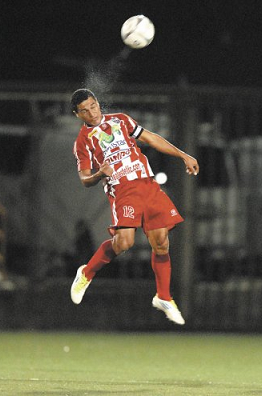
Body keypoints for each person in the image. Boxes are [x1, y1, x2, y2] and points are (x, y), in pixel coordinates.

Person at [70, 88, 199, 325]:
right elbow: (85, 179)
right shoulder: (82, 141)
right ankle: (86, 273)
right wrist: (100, 173)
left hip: (148, 185)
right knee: (125, 243)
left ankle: (163, 297)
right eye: (85, 111)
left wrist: (183, 155)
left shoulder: (121, 119)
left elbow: (150, 138)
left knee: (161, 242)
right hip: (123, 191)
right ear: (78, 115)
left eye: (93, 106)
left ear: (98, 103)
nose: (91, 112)